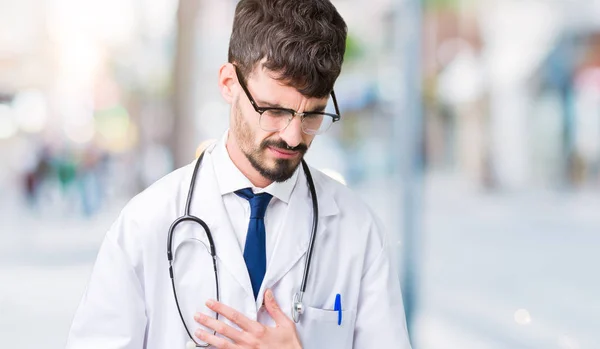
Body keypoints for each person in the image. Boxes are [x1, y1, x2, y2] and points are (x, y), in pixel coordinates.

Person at [66, 0, 412, 348]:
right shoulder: (145, 223)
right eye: (275, 110)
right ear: (229, 83)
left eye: (312, 115)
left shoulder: (358, 230)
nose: (293, 136)